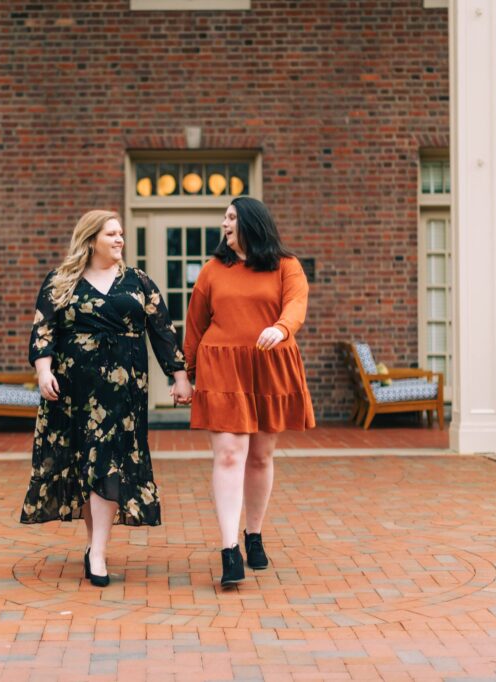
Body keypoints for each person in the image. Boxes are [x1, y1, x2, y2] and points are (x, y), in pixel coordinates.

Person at [20, 209, 192, 587]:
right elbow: (43, 329)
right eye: (111, 234)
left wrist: (179, 377)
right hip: (73, 391)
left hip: (124, 389)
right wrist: (43, 370)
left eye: (121, 234)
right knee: (87, 464)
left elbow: (163, 330)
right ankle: (95, 544)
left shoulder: (138, 282)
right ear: (91, 238)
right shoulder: (62, 280)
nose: (119, 240)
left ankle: (97, 551)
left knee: (108, 461)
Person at [184, 197, 315, 587]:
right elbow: (195, 324)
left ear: (252, 224)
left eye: (231, 218)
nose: (224, 224)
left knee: (260, 456)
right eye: (224, 218)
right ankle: (229, 550)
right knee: (229, 455)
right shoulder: (211, 270)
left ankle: (253, 534)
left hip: (268, 364)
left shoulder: (285, 266)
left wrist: (282, 328)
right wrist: (187, 375)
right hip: (222, 366)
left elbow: (296, 304)